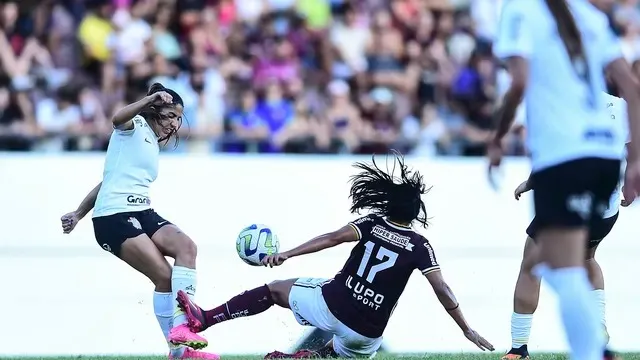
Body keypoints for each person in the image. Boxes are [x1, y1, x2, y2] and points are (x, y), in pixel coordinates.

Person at [170, 153, 495, 358]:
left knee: (274, 290)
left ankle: (206, 318)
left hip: (333, 304)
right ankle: (308, 358)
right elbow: (442, 289)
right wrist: (466, 328)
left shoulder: (371, 223)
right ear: (414, 213)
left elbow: (331, 238)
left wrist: (287, 254)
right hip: (368, 334)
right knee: (335, 353)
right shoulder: (420, 245)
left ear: (388, 205)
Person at [491, 1, 640, 360]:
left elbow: (520, 82)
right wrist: (635, 164)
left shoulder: (519, 10)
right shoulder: (590, 18)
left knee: (538, 263)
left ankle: (534, 348)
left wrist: (496, 136)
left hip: (566, 162)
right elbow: (633, 91)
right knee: (580, 259)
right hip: (605, 169)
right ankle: (595, 337)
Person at [59, 83, 219, 360]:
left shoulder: (151, 143)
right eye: (169, 115)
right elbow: (116, 118)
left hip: (142, 211)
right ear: (153, 110)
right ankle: (180, 348)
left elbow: (107, 181)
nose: (174, 123)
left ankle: (183, 334)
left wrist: (77, 212)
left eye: (178, 117)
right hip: (114, 217)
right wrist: (149, 99)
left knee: (187, 248)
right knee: (165, 277)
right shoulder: (133, 128)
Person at [502, 91, 633, 360]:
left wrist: (532, 181)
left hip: (567, 201)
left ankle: (518, 348)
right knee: (586, 259)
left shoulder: (560, 99)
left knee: (531, 264)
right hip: (605, 207)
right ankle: (597, 326)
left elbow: (551, 152)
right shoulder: (620, 107)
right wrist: (631, 184)